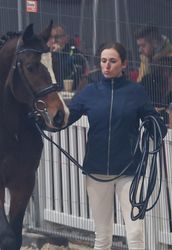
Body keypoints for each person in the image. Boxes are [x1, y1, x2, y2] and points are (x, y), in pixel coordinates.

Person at [66, 42, 167, 250]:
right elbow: (62, 120)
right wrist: (40, 119)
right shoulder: (89, 92)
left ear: (124, 64)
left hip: (129, 170)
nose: (107, 66)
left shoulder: (136, 92)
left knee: (136, 232)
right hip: (96, 171)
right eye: (103, 61)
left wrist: (155, 123)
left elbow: (156, 125)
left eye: (112, 61)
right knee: (102, 235)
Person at [47, 24, 88, 92]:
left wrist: (58, 55)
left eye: (57, 37)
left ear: (66, 38)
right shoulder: (44, 55)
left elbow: (78, 75)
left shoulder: (74, 53)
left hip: (70, 92)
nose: (54, 41)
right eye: (51, 37)